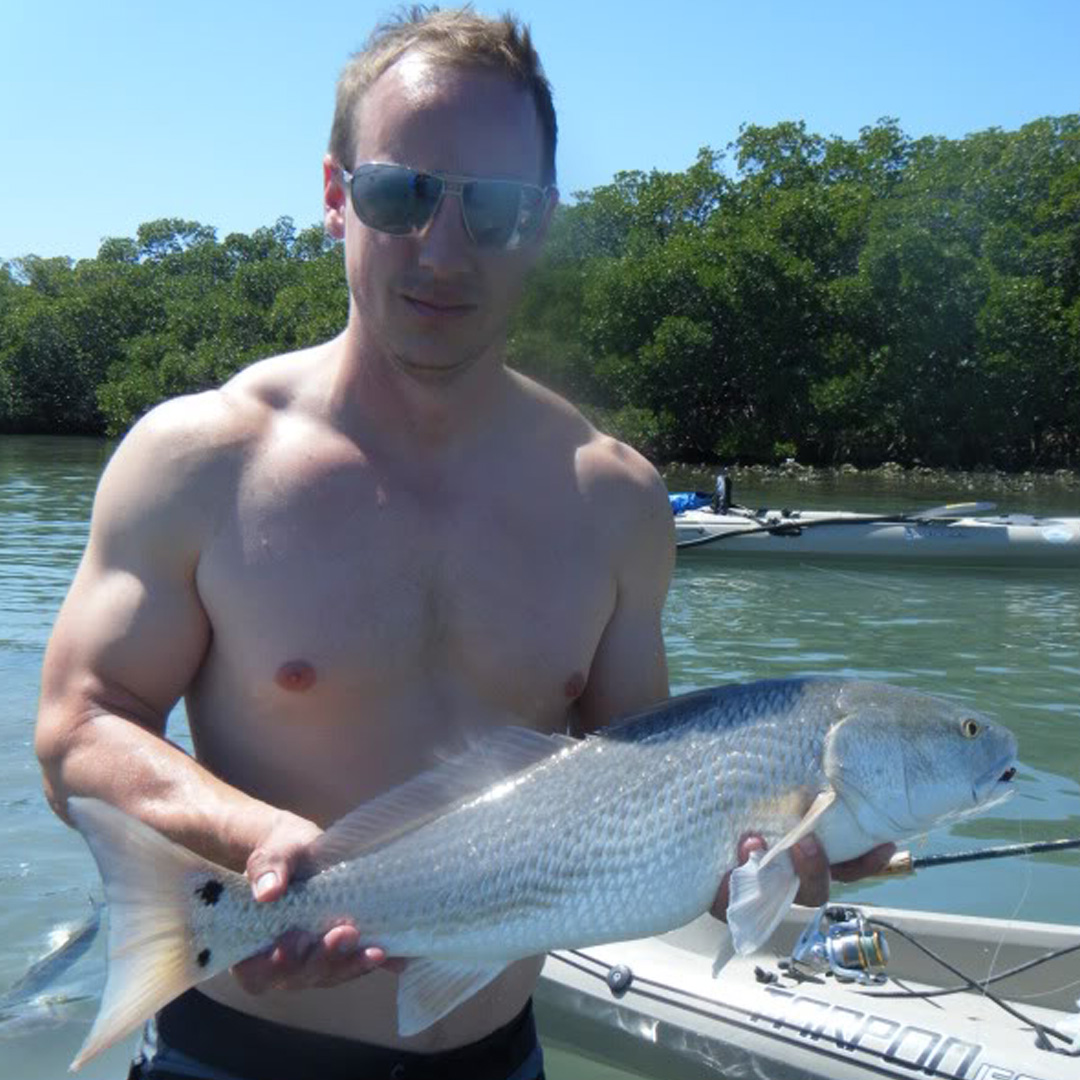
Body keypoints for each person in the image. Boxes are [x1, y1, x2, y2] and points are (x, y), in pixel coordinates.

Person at [34, 9, 891, 1080]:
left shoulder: (613, 500)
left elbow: (653, 791)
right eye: (402, 195)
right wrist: (253, 842)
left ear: (541, 222)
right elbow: (78, 727)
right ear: (337, 196)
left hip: (495, 1057)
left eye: (494, 208)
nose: (444, 249)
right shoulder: (198, 460)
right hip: (231, 1051)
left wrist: (760, 853)